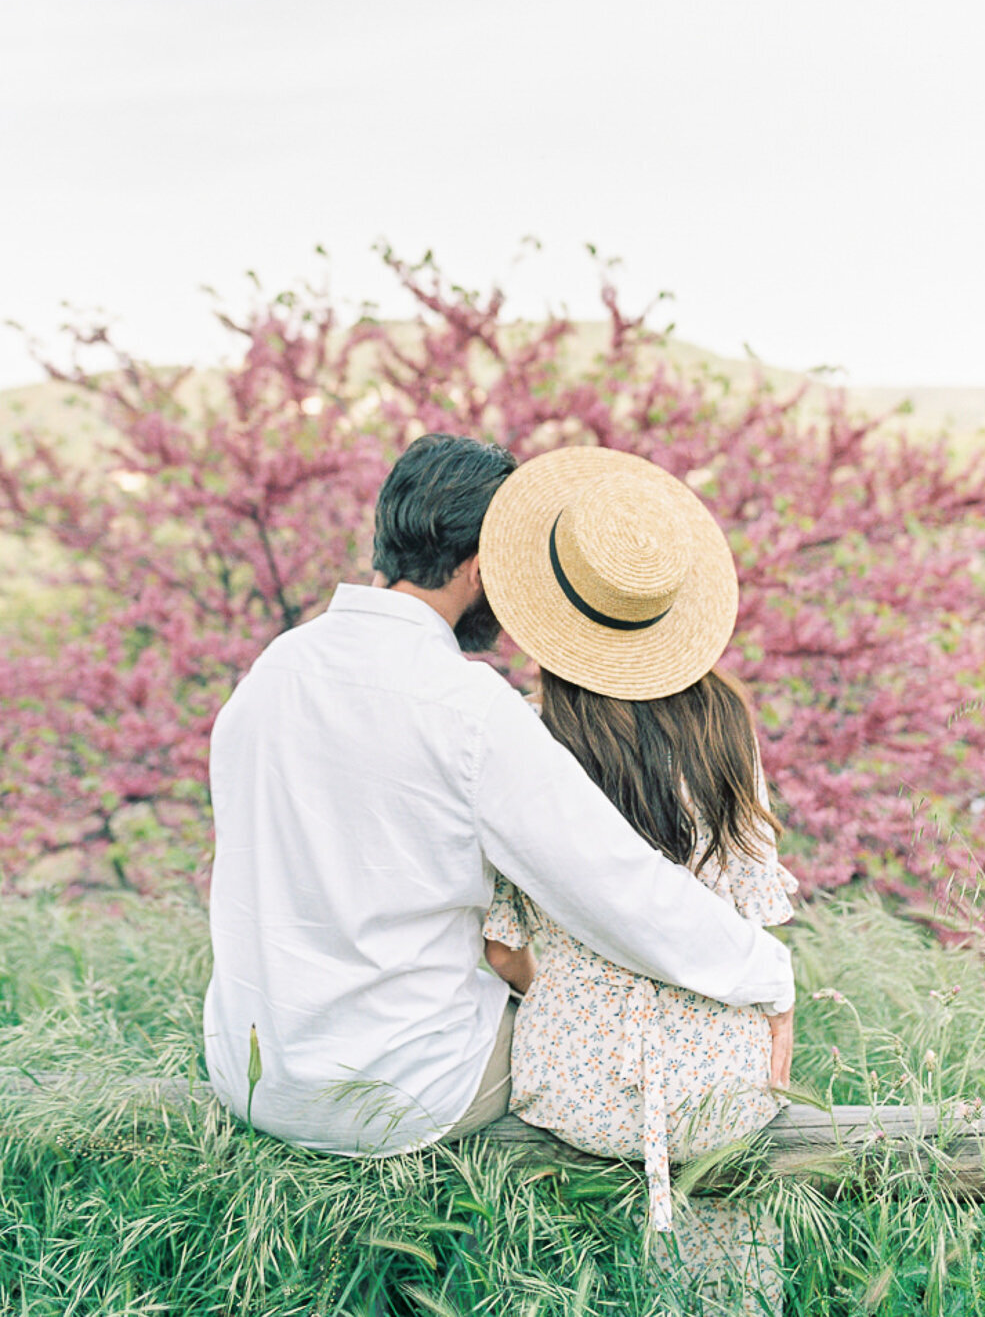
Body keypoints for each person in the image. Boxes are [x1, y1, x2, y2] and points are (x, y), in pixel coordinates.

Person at [203, 433, 793, 1163]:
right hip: (403, 1091)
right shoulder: (468, 706)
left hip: (254, 1071)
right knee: (580, 1029)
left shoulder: (274, 669)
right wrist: (766, 973)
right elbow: (615, 888)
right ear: (481, 570)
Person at [477, 444, 796, 1311]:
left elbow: (505, 949)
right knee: (733, 1285)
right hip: (721, 1094)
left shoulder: (530, 735)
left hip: (579, 1091)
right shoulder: (728, 724)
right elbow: (756, 905)